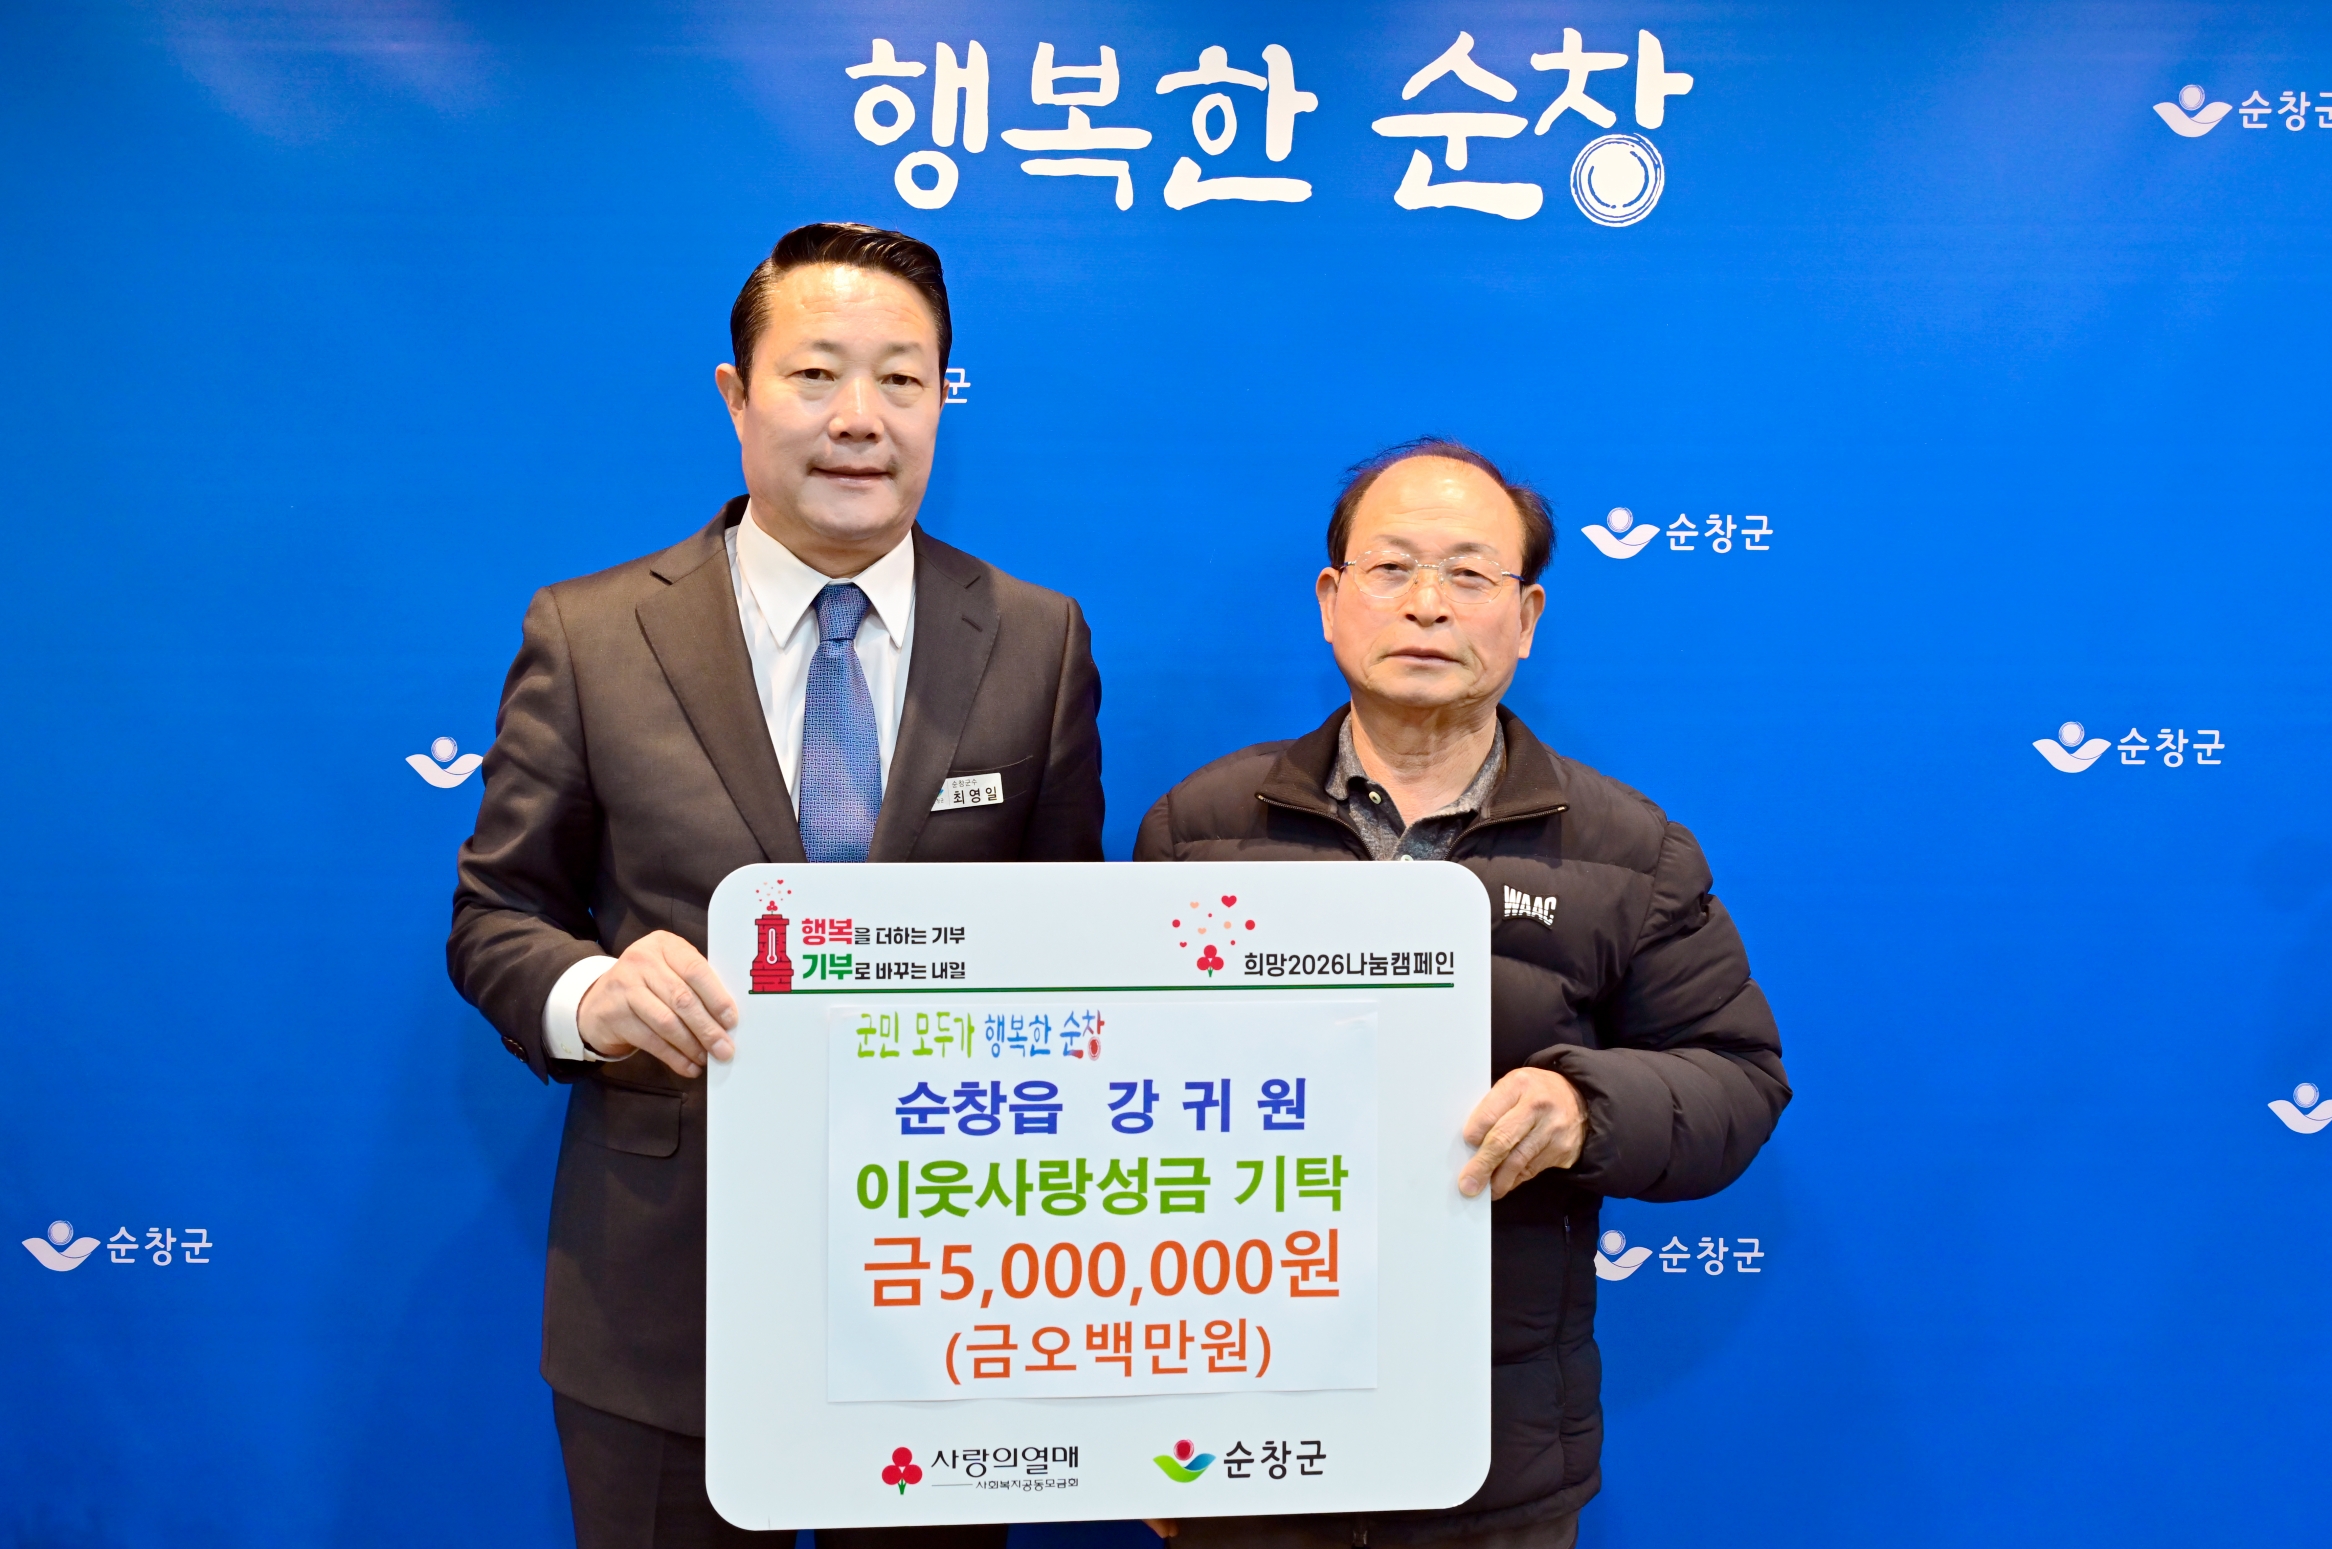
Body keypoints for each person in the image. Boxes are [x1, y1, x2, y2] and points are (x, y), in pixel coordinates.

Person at [448, 222, 1104, 1549]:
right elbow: (497, 916)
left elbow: (1073, 950)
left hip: (947, 1297)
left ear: (941, 400)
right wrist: (593, 995)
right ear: (737, 396)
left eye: (903, 380)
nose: (861, 418)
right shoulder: (592, 633)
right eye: (815, 375)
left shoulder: (1036, 639)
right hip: (663, 1292)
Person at [1133, 439, 1789, 1549]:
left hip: (1493, 1458)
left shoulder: (1631, 851)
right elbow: (1117, 1121)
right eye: (1391, 569)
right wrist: (1136, 1421)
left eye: (1469, 575)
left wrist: (1586, 1105)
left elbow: (1737, 1080)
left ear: (1525, 618)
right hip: (1243, 1440)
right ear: (1331, 602)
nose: (1428, 604)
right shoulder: (1199, 829)